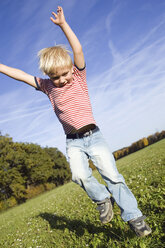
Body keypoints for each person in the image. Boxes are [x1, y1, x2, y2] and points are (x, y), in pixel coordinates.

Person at [0, 6, 151, 237]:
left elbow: (77, 48)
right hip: (74, 142)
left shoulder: (78, 77)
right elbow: (20, 75)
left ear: (71, 69)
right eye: (55, 77)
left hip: (94, 136)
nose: (61, 80)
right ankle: (102, 198)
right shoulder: (47, 87)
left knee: (112, 176)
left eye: (64, 74)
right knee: (79, 175)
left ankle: (134, 216)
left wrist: (63, 25)